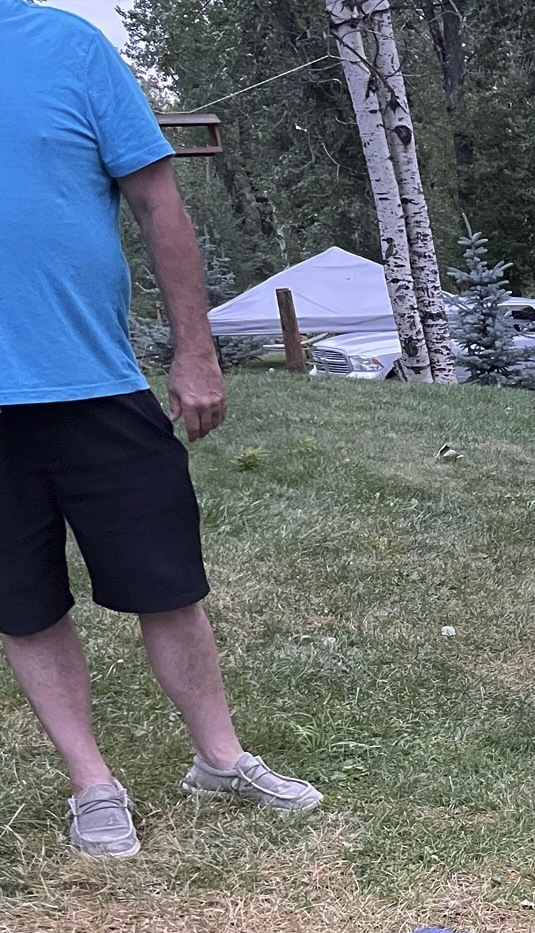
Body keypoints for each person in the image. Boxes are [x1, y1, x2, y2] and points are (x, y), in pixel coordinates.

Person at [0, 0, 321, 859]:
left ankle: (220, 758)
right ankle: (91, 784)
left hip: (95, 382)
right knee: (21, 602)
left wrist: (196, 351)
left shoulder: (68, 46)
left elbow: (157, 202)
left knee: (167, 582)